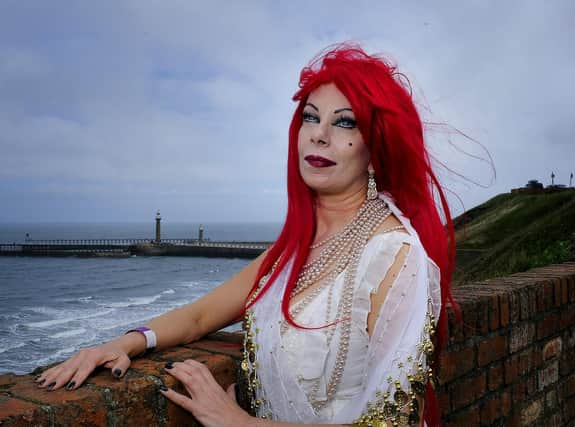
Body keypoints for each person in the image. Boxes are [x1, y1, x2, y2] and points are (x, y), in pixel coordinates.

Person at [34, 43, 457, 427]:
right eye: (311, 116)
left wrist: (237, 422)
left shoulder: (393, 255)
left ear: (375, 149)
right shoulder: (293, 250)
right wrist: (122, 342)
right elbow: (200, 316)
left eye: (344, 123)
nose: (318, 133)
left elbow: (397, 423)